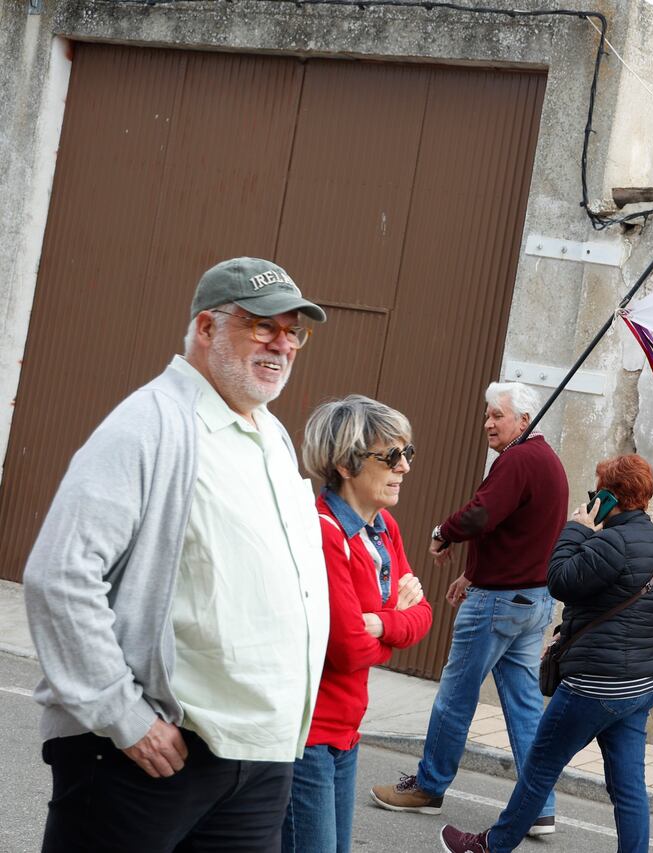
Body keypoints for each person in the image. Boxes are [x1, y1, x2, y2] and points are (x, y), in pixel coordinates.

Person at [24, 257, 330, 851]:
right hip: (149, 757)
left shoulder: (270, 433)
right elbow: (59, 576)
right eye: (262, 325)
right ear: (206, 328)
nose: (281, 345)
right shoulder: (149, 424)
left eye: (294, 332)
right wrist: (125, 718)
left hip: (257, 762)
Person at [439, 453, 653, 853]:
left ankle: (491, 846)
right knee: (629, 786)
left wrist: (575, 528)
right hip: (642, 683)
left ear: (609, 499)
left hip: (596, 684)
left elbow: (560, 580)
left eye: (596, 492)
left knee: (540, 767)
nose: (591, 499)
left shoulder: (611, 543)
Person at [371, 382, 567, 837]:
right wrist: (473, 573)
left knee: (456, 698)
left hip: (499, 605)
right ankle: (540, 806)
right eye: (486, 415)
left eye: (497, 415)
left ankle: (428, 786)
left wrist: (444, 531)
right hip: (532, 600)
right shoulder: (548, 462)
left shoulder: (517, 461)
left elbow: (482, 514)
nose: (488, 424)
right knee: (523, 707)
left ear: (524, 420)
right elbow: (517, 536)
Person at [283, 395, 434, 852]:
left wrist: (379, 624)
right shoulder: (323, 531)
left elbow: (425, 616)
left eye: (407, 453)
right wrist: (394, 620)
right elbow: (347, 647)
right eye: (390, 455)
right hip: (306, 736)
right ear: (347, 465)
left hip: (347, 731)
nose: (404, 466)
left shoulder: (384, 527)